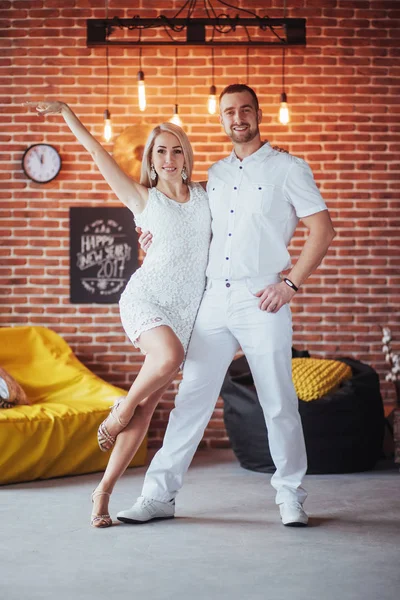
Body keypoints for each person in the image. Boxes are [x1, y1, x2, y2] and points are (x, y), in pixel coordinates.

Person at [116, 84, 336, 528]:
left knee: (277, 401)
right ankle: (159, 496)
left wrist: (290, 284)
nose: (237, 118)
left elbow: (323, 229)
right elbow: (177, 220)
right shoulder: (212, 176)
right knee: (190, 401)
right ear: (221, 120)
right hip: (212, 298)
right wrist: (151, 237)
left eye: (245, 110)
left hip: (263, 298)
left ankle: (290, 495)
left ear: (258, 114)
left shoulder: (289, 169)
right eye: (228, 112)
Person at [26, 100, 211, 528]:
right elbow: (97, 153)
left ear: (186, 155)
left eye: (175, 150)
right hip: (147, 298)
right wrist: (68, 112)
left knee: (147, 410)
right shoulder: (142, 198)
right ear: (150, 159)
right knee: (165, 361)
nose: (168, 158)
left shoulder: (207, 194)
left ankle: (102, 492)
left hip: (185, 311)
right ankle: (119, 411)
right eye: (159, 151)